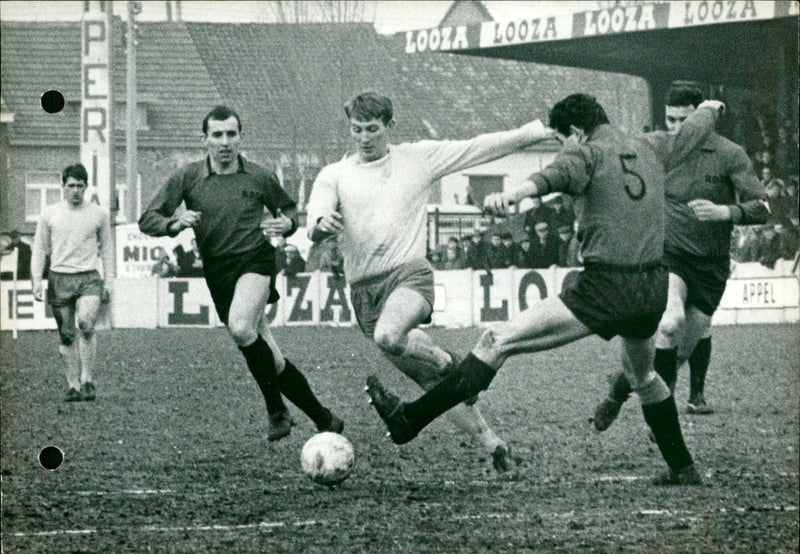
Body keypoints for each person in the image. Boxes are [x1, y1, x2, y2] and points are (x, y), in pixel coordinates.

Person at [366, 93, 726, 485]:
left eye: (559, 140)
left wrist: (512, 193)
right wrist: (711, 105)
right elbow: (695, 128)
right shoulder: (653, 144)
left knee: (496, 341)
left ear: (575, 131)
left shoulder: (585, 152)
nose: (561, 148)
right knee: (643, 377)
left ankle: (409, 420)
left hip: (606, 287)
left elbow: (551, 176)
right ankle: (682, 467)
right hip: (652, 287)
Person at [306, 91, 552, 471]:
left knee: (389, 337)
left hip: (409, 276)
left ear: (390, 126)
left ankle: (444, 358)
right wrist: (322, 224)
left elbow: (477, 148)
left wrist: (535, 131)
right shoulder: (334, 175)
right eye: (357, 130)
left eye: (373, 129)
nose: (365, 138)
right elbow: (316, 217)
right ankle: (493, 445)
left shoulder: (416, 158)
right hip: (363, 291)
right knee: (432, 384)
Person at [139, 105, 342, 441]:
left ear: (240, 137)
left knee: (240, 326)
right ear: (204, 139)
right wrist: (174, 223)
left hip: (256, 261)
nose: (224, 142)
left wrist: (288, 223)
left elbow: (289, 208)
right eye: (217, 135)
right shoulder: (187, 177)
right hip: (218, 272)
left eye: (231, 134)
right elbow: (149, 218)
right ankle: (324, 418)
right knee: (270, 358)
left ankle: (276, 411)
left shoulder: (259, 176)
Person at [593, 84, 768, 427]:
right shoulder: (657, 151)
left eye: (684, 121)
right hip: (669, 256)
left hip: (712, 266)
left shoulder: (730, 154)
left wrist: (726, 212)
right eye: (670, 120)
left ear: (702, 119)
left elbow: (763, 205)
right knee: (669, 322)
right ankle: (663, 419)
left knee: (681, 353)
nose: (677, 129)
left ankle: (618, 388)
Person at [31, 163, 112, 402]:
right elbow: (39, 248)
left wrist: (109, 281)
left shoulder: (98, 214)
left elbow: (107, 247)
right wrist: (37, 279)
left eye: (80, 185)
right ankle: (72, 384)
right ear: (63, 186)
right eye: (71, 186)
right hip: (59, 277)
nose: (76, 190)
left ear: (86, 186)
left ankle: (87, 379)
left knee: (86, 324)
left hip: (88, 276)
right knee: (67, 335)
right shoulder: (49, 214)